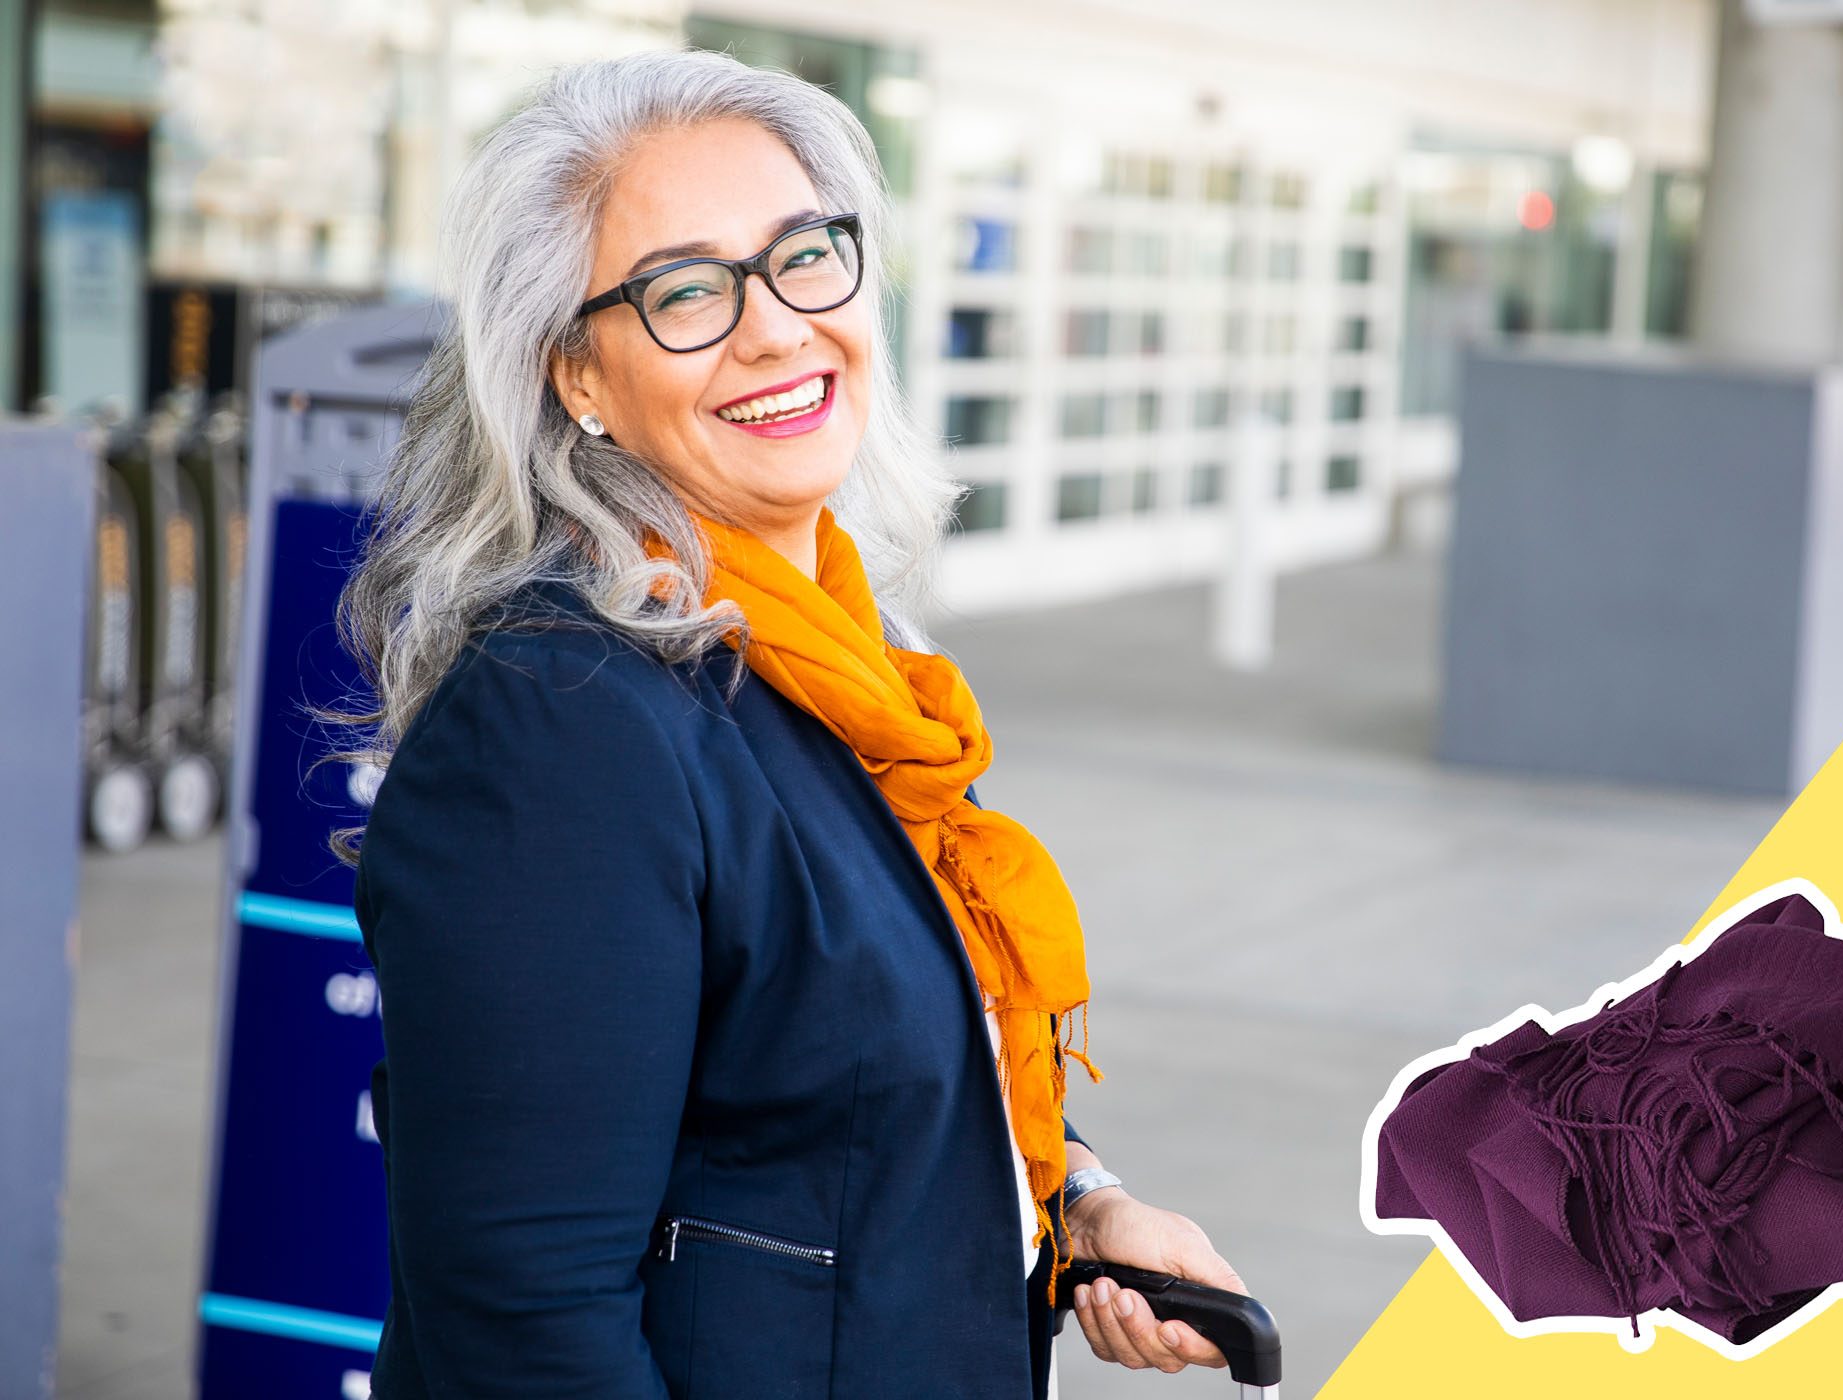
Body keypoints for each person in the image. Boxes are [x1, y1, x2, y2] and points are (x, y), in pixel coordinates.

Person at [329, 47, 1247, 1398]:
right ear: (576, 374)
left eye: (803, 257)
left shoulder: (841, 661)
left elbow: (838, 1076)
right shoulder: (560, 725)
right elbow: (526, 1324)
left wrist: (1086, 1204)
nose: (773, 327)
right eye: (686, 291)